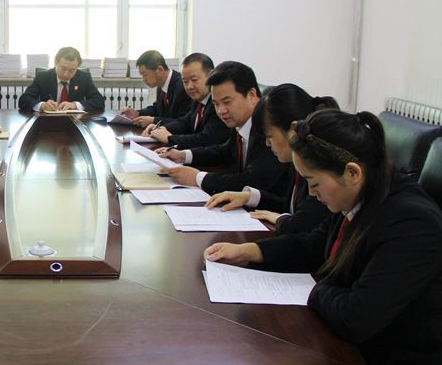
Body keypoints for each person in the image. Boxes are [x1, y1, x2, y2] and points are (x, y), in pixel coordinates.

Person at [204, 109, 442, 365]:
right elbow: (316, 245)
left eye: (314, 183)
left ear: (352, 173)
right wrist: (251, 251)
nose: (311, 193)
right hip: (352, 351)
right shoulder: (363, 194)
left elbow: (356, 317)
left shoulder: (412, 222)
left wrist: (314, 289)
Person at [205, 84, 336, 235]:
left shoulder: (320, 168)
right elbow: (289, 206)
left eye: (269, 136)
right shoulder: (295, 162)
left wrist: (281, 220)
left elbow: (303, 223)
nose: (267, 143)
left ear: (293, 130)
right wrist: (249, 197)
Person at [157, 61, 290, 195]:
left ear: (251, 95)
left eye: (227, 102)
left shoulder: (268, 130)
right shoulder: (240, 122)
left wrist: (198, 178)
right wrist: (183, 155)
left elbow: (253, 181)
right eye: (216, 104)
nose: (221, 111)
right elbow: (224, 152)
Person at [141, 52, 231, 148]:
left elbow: (207, 139)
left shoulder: (217, 104)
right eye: (185, 81)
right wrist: (160, 128)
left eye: (194, 80)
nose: (189, 86)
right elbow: (185, 122)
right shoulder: (198, 101)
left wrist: (170, 138)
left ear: (210, 76)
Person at [17, 46, 105, 112]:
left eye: (72, 70)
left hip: (76, 122)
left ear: (77, 67)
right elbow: (23, 100)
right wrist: (42, 105)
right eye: (63, 68)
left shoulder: (83, 77)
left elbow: (99, 101)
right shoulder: (43, 77)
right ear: (55, 62)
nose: (66, 74)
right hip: (47, 122)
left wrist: (75, 105)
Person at [120, 50, 191, 126]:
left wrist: (154, 121)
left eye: (145, 74)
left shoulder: (183, 86)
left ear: (159, 69)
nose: (143, 79)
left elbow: (184, 123)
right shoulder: (161, 84)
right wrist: (138, 113)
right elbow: (157, 109)